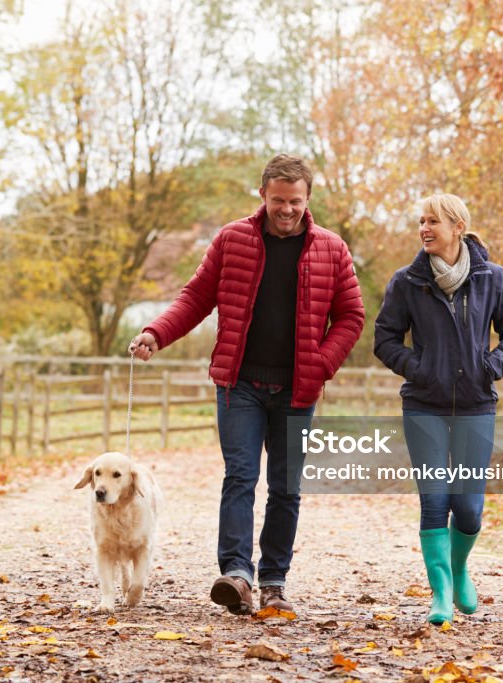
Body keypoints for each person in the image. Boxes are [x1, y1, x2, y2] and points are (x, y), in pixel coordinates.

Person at [129, 154, 364, 616]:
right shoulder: (232, 239)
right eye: (278, 200)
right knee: (240, 476)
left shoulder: (332, 249)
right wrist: (156, 333)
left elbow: (351, 316)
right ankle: (237, 575)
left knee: (286, 487)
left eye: (295, 201)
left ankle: (274, 580)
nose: (286, 209)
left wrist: (322, 363)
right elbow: (195, 297)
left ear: (308, 198)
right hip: (239, 384)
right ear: (263, 195)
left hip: (298, 389)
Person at [374, 193, 503, 625]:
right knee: (434, 499)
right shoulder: (406, 282)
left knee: (468, 508)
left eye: (433, 222)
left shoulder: (492, 278)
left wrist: (490, 366)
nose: (425, 229)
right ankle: (440, 591)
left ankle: (459, 568)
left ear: (457, 227)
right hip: (423, 406)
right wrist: (418, 369)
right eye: (421, 222)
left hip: (476, 406)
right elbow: (384, 339)